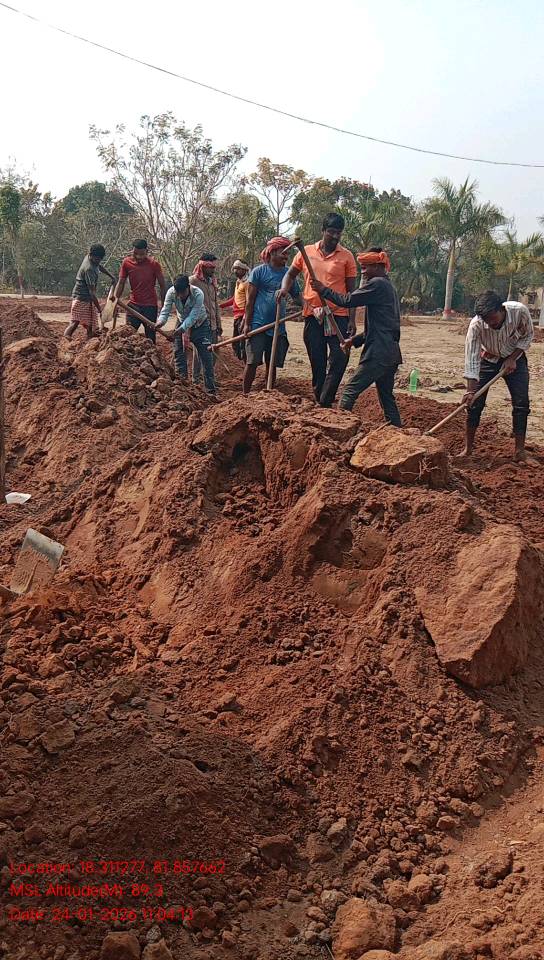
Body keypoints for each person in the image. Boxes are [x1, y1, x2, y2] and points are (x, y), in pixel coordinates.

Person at [310, 247, 402, 424]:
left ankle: (339, 428)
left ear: (378, 266)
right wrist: (353, 341)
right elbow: (376, 329)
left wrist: (323, 290)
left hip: (379, 353)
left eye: (366, 267)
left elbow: (348, 300)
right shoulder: (388, 287)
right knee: (386, 398)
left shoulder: (377, 284)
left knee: (349, 391)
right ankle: (398, 432)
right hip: (390, 352)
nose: (363, 272)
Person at [279, 213, 358, 407]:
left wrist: (352, 319)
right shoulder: (305, 252)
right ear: (323, 231)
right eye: (331, 232)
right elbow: (290, 275)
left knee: (340, 357)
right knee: (317, 359)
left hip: (338, 315)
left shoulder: (346, 256)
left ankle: (325, 399)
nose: (335, 236)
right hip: (313, 315)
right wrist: (284, 289)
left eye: (338, 233)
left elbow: (351, 292)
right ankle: (320, 398)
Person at [460, 290, 533, 462]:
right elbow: (472, 358)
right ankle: (468, 450)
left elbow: (527, 336)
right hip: (488, 358)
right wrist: (470, 391)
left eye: (493, 318)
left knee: (521, 404)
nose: (490, 323)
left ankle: (519, 451)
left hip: (515, 358)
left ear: (502, 310)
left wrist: (512, 358)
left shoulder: (519, 312)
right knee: (474, 404)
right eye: (486, 320)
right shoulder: (476, 325)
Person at [242, 237, 300, 396]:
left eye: (288, 253)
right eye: (283, 252)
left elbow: (297, 297)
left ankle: (269, 395)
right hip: (258, 325)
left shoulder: (289, 274)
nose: (286, 256)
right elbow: (250, 301)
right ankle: (245, 394)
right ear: (272, 252)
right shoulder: (258, 272)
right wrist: (247, 324)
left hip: (277, 327)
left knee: (272, 363)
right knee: (252, 362)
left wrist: (310, 306)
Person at [156, 275, 216, 396]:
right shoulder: (171, 293)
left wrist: (181, 329)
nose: (180, 296)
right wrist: (160, 322)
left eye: (182, 293)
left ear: (188, 287)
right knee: (179, 354)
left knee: (206, 357)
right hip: (181, 321)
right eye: (178, 293)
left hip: (200, 325)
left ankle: (210, 390)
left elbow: (193, 316)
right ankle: (182, 388)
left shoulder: (198, 294)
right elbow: (165, 310)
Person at [114, 239, 167, 344]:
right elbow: (121, 283)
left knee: (150, 338)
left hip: (150, 307)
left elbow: (163, 286)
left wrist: (164, 307)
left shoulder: (154, 264)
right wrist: (115, 301)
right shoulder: (126, 263)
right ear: (132, 251)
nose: (138, 257)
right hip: (133, 306)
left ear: (146, 251)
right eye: (135, 253)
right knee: (128, 337)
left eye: (141, 254)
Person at [190, 254, 222, 383]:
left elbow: (215, 304)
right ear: (202, 266)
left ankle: (208, 378)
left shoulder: (212, 282)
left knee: (213, 350)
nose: (213, 270)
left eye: (214, 267)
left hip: (213, 323)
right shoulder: (192, 282)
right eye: (210, 267)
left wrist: (219, 324)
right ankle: (196, 379)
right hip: (200, 324)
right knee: (200, 353)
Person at [65, 243, 108, 339]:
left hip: (87, 297)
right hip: (81, 297)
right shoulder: (89, 269)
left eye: (100, 259)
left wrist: (110, 276)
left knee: (90, 322)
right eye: (96, 259)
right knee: (75, 321)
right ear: (91, 255)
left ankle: (90, 338)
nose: (98, 261)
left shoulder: (90, 259)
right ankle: (66, 337)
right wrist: (100, 309)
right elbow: (92, 293)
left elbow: (99, 266)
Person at [219, 259, 250, 361]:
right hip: (237, 317)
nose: (235, 271)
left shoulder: (247, 283)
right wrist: (221, 305)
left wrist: (245, 319)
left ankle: (245, 364)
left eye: (238, 269)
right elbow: (235, 299)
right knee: (235, 343)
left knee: (242, 343)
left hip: (242, 316)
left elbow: (249, 302)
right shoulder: (238, 282)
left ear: (244, 270)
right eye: (235, 268)